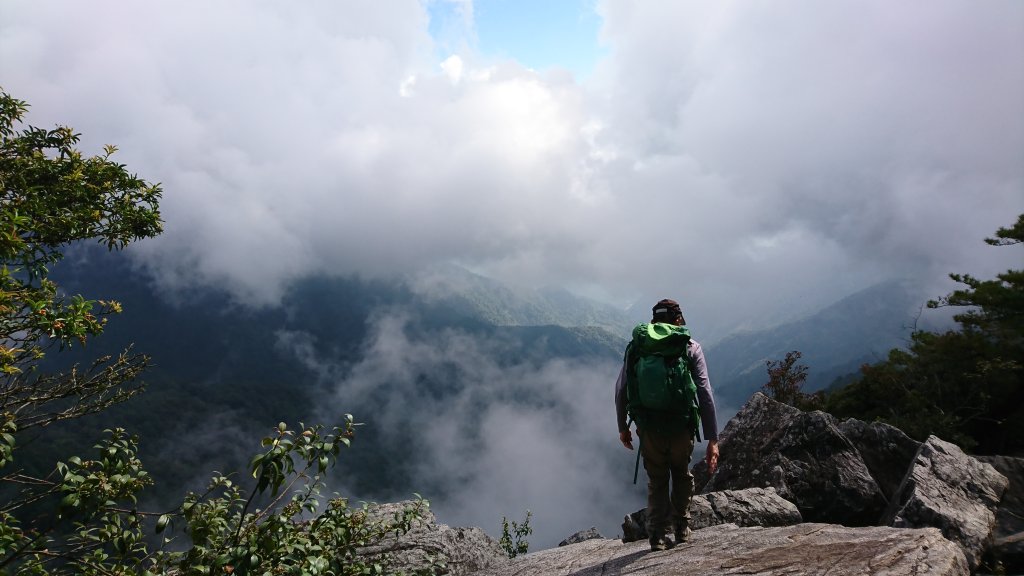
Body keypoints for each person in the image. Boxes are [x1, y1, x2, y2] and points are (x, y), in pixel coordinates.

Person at [615, 298, 720, 551]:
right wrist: (713, 438)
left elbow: (621, 390)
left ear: (654, 321)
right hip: (681, 425)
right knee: (681, 475)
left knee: (657, 480)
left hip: (649, 427)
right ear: (678, 320)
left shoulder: (638, 348)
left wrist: (622, 426)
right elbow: (704, 392)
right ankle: (682, 529)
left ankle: (657, 536)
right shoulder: (689, 347)